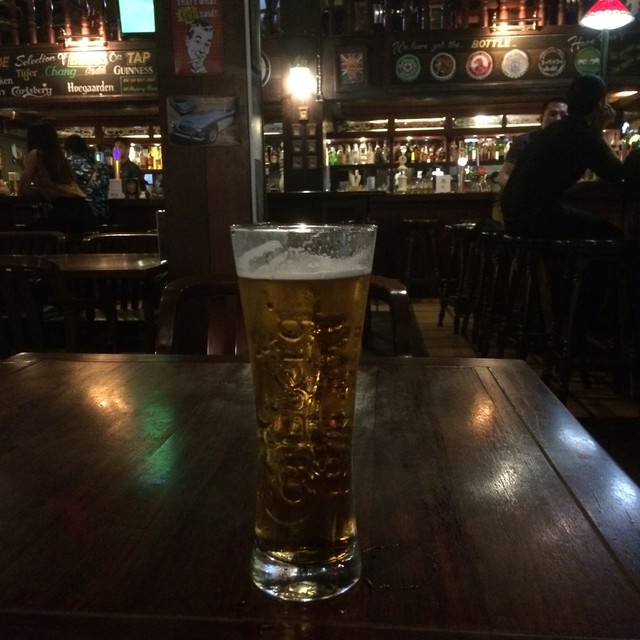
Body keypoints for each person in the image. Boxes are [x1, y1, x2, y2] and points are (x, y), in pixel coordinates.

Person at [16, 120, 98, 236]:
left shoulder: (35, 154)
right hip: (83, 211)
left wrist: (24, 168)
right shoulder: (59, 157)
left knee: (24, 236)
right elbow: (56, 187)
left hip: (65, 215)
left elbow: (23, 189)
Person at [495, 97, 568, 188]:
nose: (558, 119)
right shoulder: (525, 141)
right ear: (541, 118)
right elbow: (503, 176)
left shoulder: (572, 144)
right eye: (552, 114)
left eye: (563, 116)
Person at [63, 134, 110, 220]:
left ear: (69, 151)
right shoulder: (101, 165)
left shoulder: (70, 163)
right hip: (103, 214)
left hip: (82, 215)